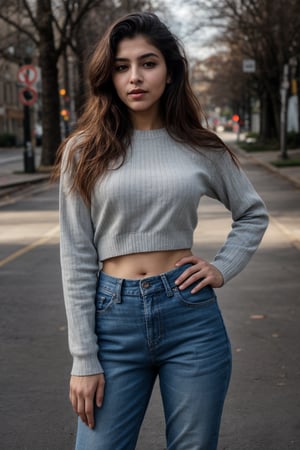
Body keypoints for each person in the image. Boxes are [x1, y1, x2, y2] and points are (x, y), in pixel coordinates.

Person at [53, 11, 269, 450]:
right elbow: (76, 255)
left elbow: (252, 214)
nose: (135, 77)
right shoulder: (84, 150)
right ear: (109, 77)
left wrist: (222, 267)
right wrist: (83, 359)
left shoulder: (201, 146)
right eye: (121, 66)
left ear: (169, 73)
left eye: (148, 63)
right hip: (113, 319)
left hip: (189, 316)